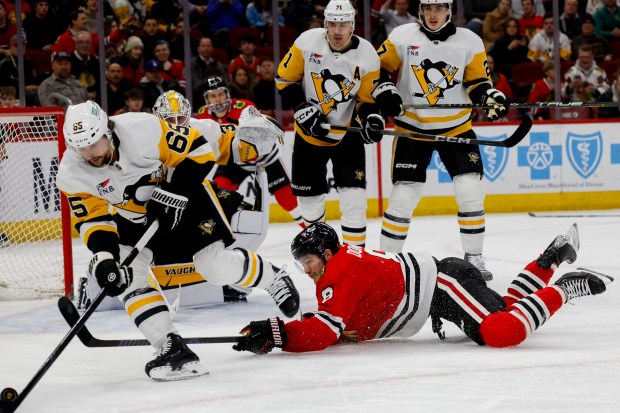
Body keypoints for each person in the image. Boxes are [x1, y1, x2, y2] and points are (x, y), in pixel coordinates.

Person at [56, 100, 301, 379]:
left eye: (94, 144)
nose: (90, 154)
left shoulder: (142, 129)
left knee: (214, 266)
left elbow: (200, 150)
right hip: (134, 216)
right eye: (80, 147)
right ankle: (171, 347)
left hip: (187, 198)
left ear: (107, 132)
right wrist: (104, 259)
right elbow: (94, 220)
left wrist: (174, 193)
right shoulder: (71, 173)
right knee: (127, 277)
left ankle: (273, 278)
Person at [232, 222, 613, 355]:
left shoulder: (341, 269)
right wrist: (281, 334)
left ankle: (566, 286)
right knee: (502, 311)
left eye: (308, 261)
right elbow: (330, 327)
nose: (305, 270)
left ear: (327, 253)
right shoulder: (337, 268)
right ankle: (549, 258)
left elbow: (322, 332)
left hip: (442, 285)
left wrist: (278, 333)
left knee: (503, 331)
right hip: (438, 292)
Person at [377, 0, 506, 280]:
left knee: (470, 189)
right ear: (421, 11)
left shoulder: (469, 40)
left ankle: (474, 257)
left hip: (456, 128)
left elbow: (477, 83)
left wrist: (488, 97)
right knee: (403, 195)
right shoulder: (401, 36)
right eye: (428, 9)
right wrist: (386, 91)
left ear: (449, 11)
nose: (433, 15)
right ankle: (387, 262)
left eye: (439, 9)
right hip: (412, 128)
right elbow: (377, 71)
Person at [276, 0, 394, 246]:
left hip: (346, 135)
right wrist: (301, 109)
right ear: (325, 24)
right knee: (309, 206)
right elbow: (284, 80)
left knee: (354, 201)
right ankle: (321, 258)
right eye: (332, 24)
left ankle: (356, 260)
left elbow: (365, 100)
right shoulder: (307, 42)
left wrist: (372, 118)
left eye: (343, 24)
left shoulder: (367, 54)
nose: (337, 31)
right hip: (309, 138)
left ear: (352, 26)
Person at [196, 79, 305, 227]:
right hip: (235, 160)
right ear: (206, 98)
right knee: (219, 193)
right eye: (212, 96)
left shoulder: (245, 107)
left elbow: (258, 137)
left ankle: (310, 230)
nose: (217, 99)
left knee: (287, 199)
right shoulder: (203, 116)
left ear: (227, 93)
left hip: (265, 156)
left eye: (220, 94)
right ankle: (222, 233)